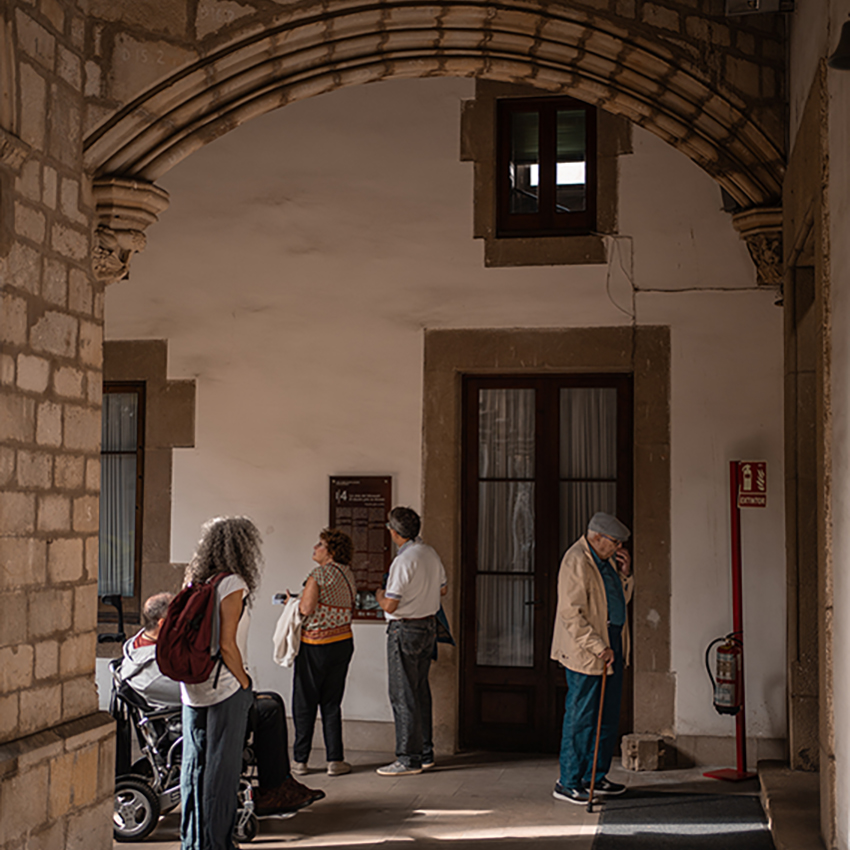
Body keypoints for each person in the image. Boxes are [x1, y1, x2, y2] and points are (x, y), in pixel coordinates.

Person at [118, 590, 322, 818]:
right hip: (191, 720)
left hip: (195, 707)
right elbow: (199, 692)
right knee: (269, 709)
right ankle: (274, 789)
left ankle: (281, 783)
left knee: (270, 700)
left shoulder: (142, 642)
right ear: (163, 624)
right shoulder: (155, 671)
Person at [178, 517, 315, 850]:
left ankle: (192, 842)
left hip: (192, 687)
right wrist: (244, 681)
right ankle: (218, 844)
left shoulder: (195, 579)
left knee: (194, 766)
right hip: (224, 687)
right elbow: (227, 645)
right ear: (242, 548)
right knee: (222, 770)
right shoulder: (232, 584)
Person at [550, 511, 633, 804]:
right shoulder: (576, 560)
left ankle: (594, 777)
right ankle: (568, 781)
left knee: (607, 715)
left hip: (612, 643)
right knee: (582, 716)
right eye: (615, 542)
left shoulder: (606, 560)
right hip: (588, 649)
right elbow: (571, 614)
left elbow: (617, 601)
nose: (618, 547)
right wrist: (598, 646)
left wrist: (625, 575)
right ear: (597, 537)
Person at [374, 506, 447, 776]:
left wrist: (379, 594)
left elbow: (391, 605)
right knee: (419, 690)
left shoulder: (403, 561)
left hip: (403, 629)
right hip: (427, 626)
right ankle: (425, 752)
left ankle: (407, 759)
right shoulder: (429, 553)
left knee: (402, 694)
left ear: (395, 532)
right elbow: (443, 588)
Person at [287, 528, 357, 777]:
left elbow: (306, 608)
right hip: (342, 642)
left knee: (304, 702)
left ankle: (300, 760)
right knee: (331, 702)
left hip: (316, 644)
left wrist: (290, 603)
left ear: (331, 552)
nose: (315, 548)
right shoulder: (348, 574)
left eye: (320, 545)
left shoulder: (318, 574)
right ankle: (335, 760)